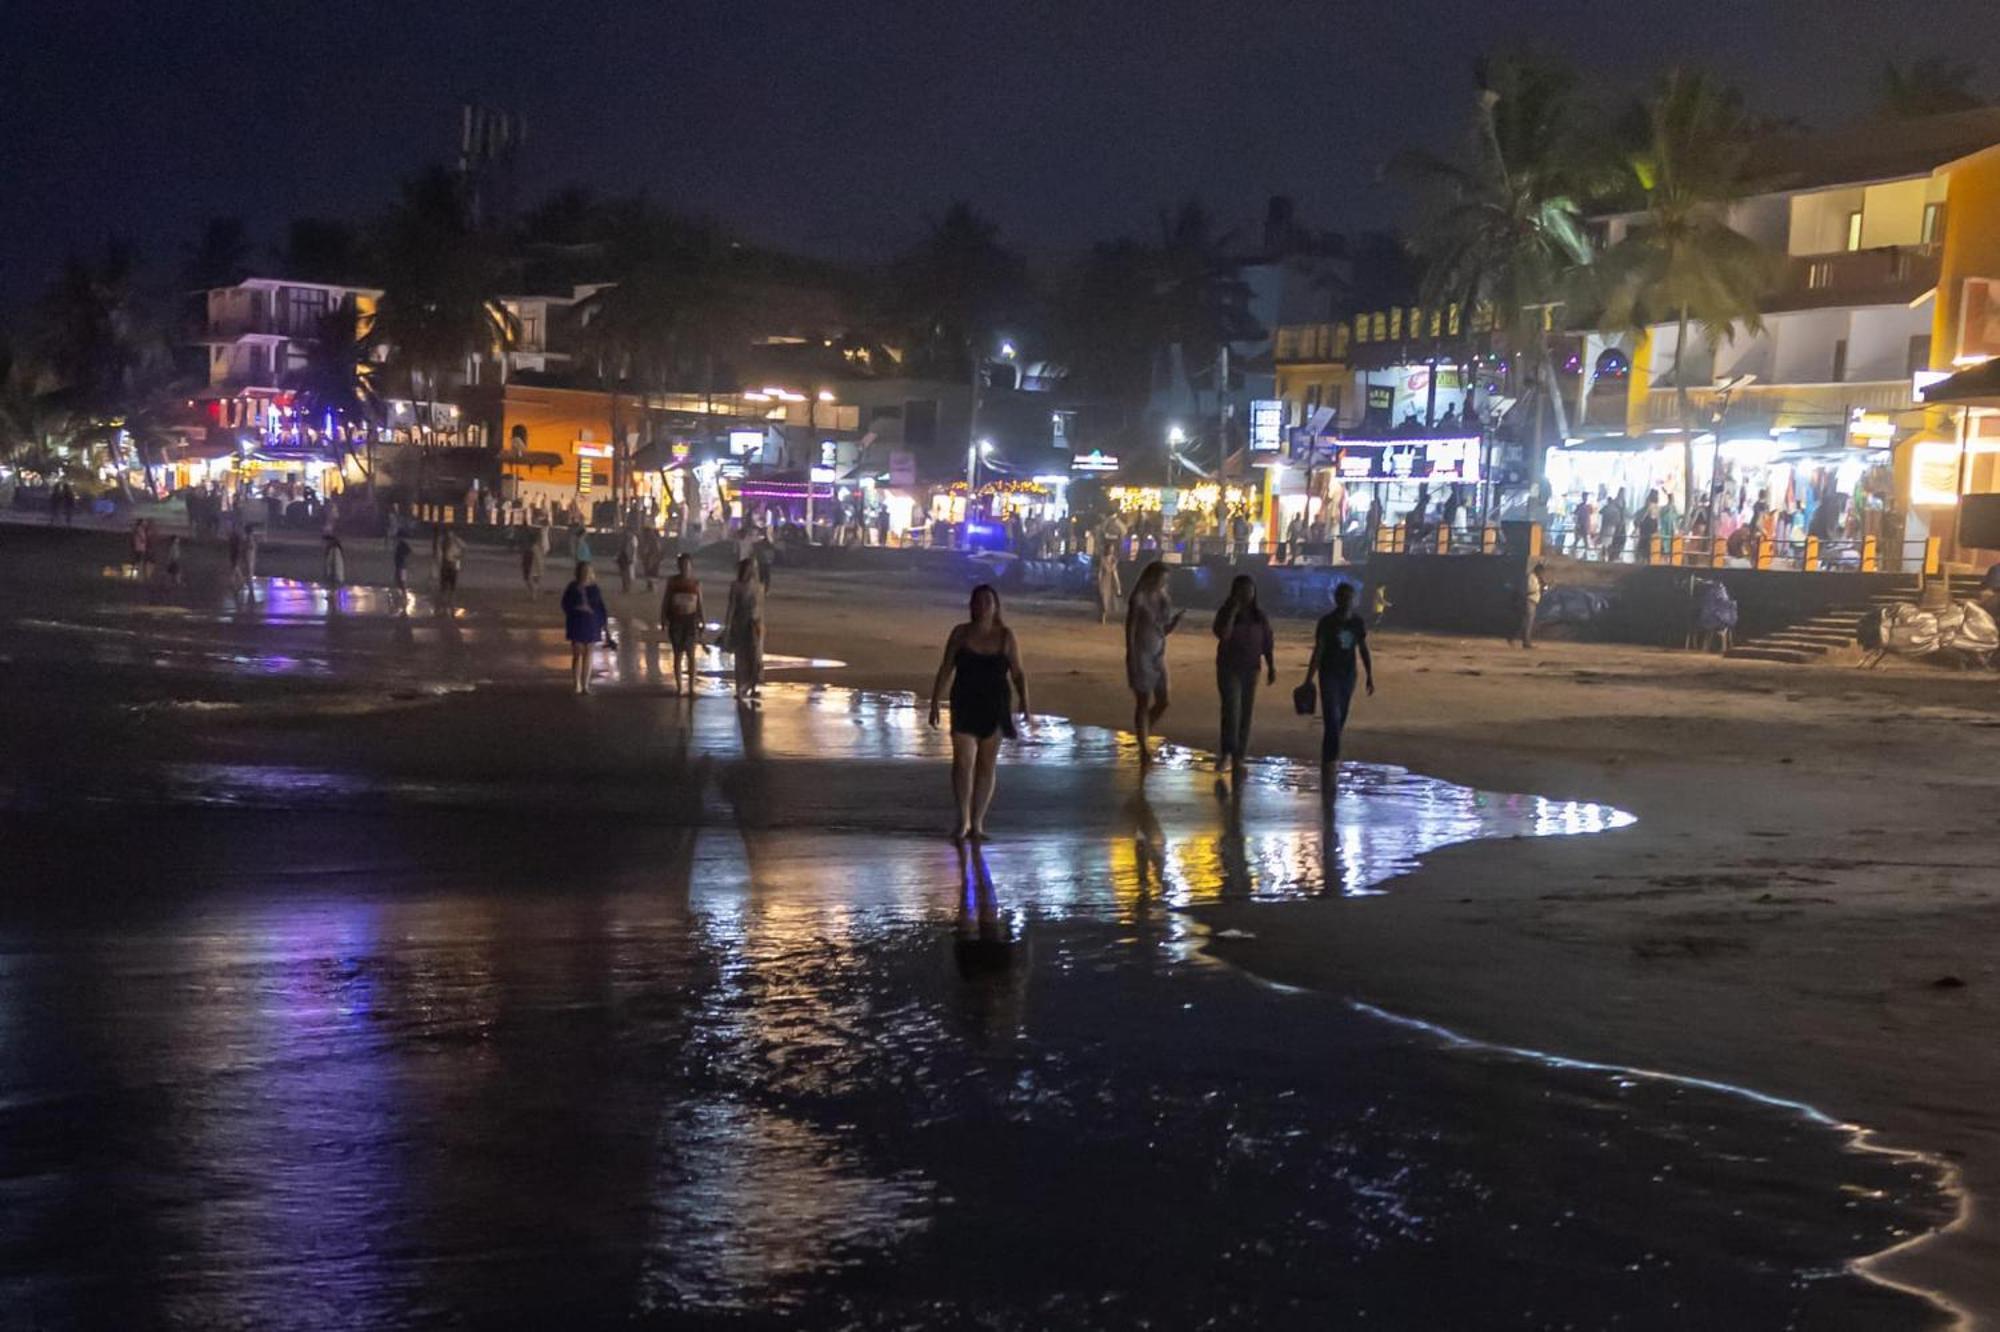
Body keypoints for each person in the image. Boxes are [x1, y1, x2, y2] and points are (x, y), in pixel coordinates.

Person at [927, 584, 1030, 842]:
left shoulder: (1006, 637)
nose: (983, 606)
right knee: (963, 762)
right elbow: (946, 668)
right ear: (971, 605)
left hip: (995, 706)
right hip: (964, 702)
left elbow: (1017, 673)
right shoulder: (960, 634)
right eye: (979, 601)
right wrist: (935, 702)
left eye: (988, 601)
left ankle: (979, 823)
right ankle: (963, 820)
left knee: (986, 765)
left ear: (996, 607)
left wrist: (1025, 703)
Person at [1303, 581, 1375, 802]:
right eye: (1343, 596)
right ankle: (1330, 762)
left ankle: (1330, 759)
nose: (1346, 600)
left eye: (1349, 597)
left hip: (1348, 676)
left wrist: (1369, 675)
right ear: (1337, 599)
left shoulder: (1357, 623)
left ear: (1353, 600)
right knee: (1332, 719)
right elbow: (1319, 650)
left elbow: (1363, 649)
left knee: (1339, 719)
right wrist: (1309, 678)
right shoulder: (1327, 622)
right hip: (1329, 675)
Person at [1211, 574, 1275, 778]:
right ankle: (1227, 753)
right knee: (1232, 710)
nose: (1247, 594)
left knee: (1246, 713)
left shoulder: (1259, 616)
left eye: (1250, 590)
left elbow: (1267, 642)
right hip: (1229, 667)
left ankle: (1240, 756)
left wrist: (1271, 666)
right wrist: (1233, 611)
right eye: (1243, 590)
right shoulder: (1226, 612)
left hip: (1251, 668)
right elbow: (1223, 634)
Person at [1124, 561, 1184, 766]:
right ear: (1152, 577)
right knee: (1143, 700)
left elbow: (1163, 629)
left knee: (1164, 700)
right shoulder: (1139, 598)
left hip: (1158, 653)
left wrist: (1174, 623)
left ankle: (1143, 731)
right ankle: (1143, 745)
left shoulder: (1163, 597)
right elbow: (1130, 629)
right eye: (1162, 578)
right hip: (1141, 653)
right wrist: (1130, 653)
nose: (1164, 583)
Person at [662, 553, 706, 697]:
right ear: (679, 566)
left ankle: (692, 687)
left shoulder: (696, 583)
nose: (685, 568)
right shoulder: (673, 582)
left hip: (691, 620)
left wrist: (702, 620)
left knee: (691, 654)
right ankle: (680, 686)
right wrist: (663, 618)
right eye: (682, 565)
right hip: (676, 620)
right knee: (678, 654)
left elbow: (700, 603)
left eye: (687, 565)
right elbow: (666, 600)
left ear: (691, 567)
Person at [561, 562, 609, 694]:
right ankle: (576, 683)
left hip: (591, 623)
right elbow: (565, 603)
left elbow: (600, 607)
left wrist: (604, 625)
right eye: (584, 571)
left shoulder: (594, 588)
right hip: (577, 622)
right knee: (577, 653)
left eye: (588, 571)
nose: (586, 573)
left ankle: (585, 684)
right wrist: (575, 609)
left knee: (589, 654)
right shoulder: (572, 587)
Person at [723, 558, 766, 700]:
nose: (752, 571)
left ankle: (753, 686)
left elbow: (760, 609)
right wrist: (728, 627)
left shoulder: (760, 586)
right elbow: (732, 607)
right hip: (740, 623)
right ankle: (740, 688)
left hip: (754, 624)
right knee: (741, 656)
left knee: (755, 656)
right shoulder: (736, 586)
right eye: (749, 567)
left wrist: (762, 627)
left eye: (754, 568)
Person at [1513, 561, 1546, 649]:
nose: (1542, 574)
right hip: (1529, 601)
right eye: (1541, 572)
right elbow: (1529, 589)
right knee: (1528, 622)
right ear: (1538, 570)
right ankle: (1526, 642)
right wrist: (1539, 588)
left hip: (1532, 601)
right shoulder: (1531, 577)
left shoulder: (1535, 578)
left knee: (1527, 622)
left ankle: (1525, 640)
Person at [438, 527, 464, 613]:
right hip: (446, 564)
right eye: (448, 533)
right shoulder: (443, 541)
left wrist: (458, 556)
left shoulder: (457, 542)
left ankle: (450, 601)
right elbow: (440, 551)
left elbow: (463, 547)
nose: (449, 535)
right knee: (444, 584)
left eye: (451, 533)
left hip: (453, 565)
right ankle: (444, 601)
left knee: (452, 584)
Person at [1093, 548, 1122, 625]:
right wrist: (1099, 582)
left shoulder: (1114, 561)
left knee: (1109, 601)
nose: (1111, 552)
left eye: (1112, 550)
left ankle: (1104, 615)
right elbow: (1100, 572)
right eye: (1110, 550)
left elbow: (1116, 575)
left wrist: (1118, 586)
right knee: (1103, 599)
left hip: (1111, 583)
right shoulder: (1103, 560)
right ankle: (1102, 616)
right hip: (1104, 582)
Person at [520, 522, 546, 596]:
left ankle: (534, 591)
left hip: (530, 552)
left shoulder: (532, 533)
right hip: (529, 552)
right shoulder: (527, 532)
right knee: (528, 574)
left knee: (532, 573)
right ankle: (533, 591)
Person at [393, 533, 413, 610]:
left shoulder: (402, 544)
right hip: (399, 566)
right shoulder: (399, 545)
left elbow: (409, 551)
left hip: (402, 566)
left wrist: (404, 557)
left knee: (402, 581)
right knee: (398, 580)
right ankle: (402, 595)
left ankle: (404, 596)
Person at [615, 528, 637, 594]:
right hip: (624, 557)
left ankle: (626, 588)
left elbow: (633, 550)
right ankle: (625, 587)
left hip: (626, 558)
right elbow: (621, 549)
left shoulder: (631, 540)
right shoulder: (626, 540)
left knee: (626, 573)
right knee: (624, 573)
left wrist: (631, 558)